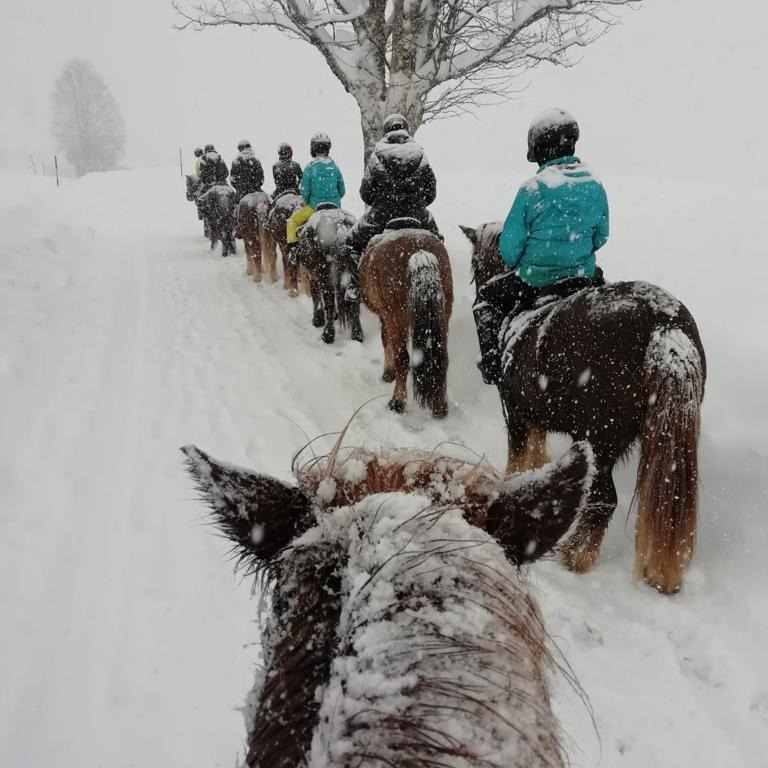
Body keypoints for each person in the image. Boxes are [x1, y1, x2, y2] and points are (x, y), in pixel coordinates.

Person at [473, 108, 609, 385]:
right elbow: (601, 237)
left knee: (486, 299)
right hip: (582, 278)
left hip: (534, 280)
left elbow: (510, 249)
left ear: (539, 149)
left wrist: (530, 261)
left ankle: (492, 364)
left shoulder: (532, 189)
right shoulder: (595, 185)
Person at [343, 113, 438, 301]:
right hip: (418, 215)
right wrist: (416, 204)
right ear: (406, 129)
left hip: (382, 216)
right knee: (437, 241)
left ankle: (356, 286)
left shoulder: (377, 154)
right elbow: (431, 191)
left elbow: (366, 193)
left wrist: (383, 202)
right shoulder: (419, 153)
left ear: (386, 131)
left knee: (352, 243)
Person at [285, 133, 345, 248]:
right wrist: (332, 200)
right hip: (336, 208)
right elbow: (342, 191)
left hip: (314, 208)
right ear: (328, 149)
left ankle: (293, 251)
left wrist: (307, 202)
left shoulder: (310, 167)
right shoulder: (334, 167)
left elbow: (304, 191)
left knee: (292, 222)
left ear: (313, 149)